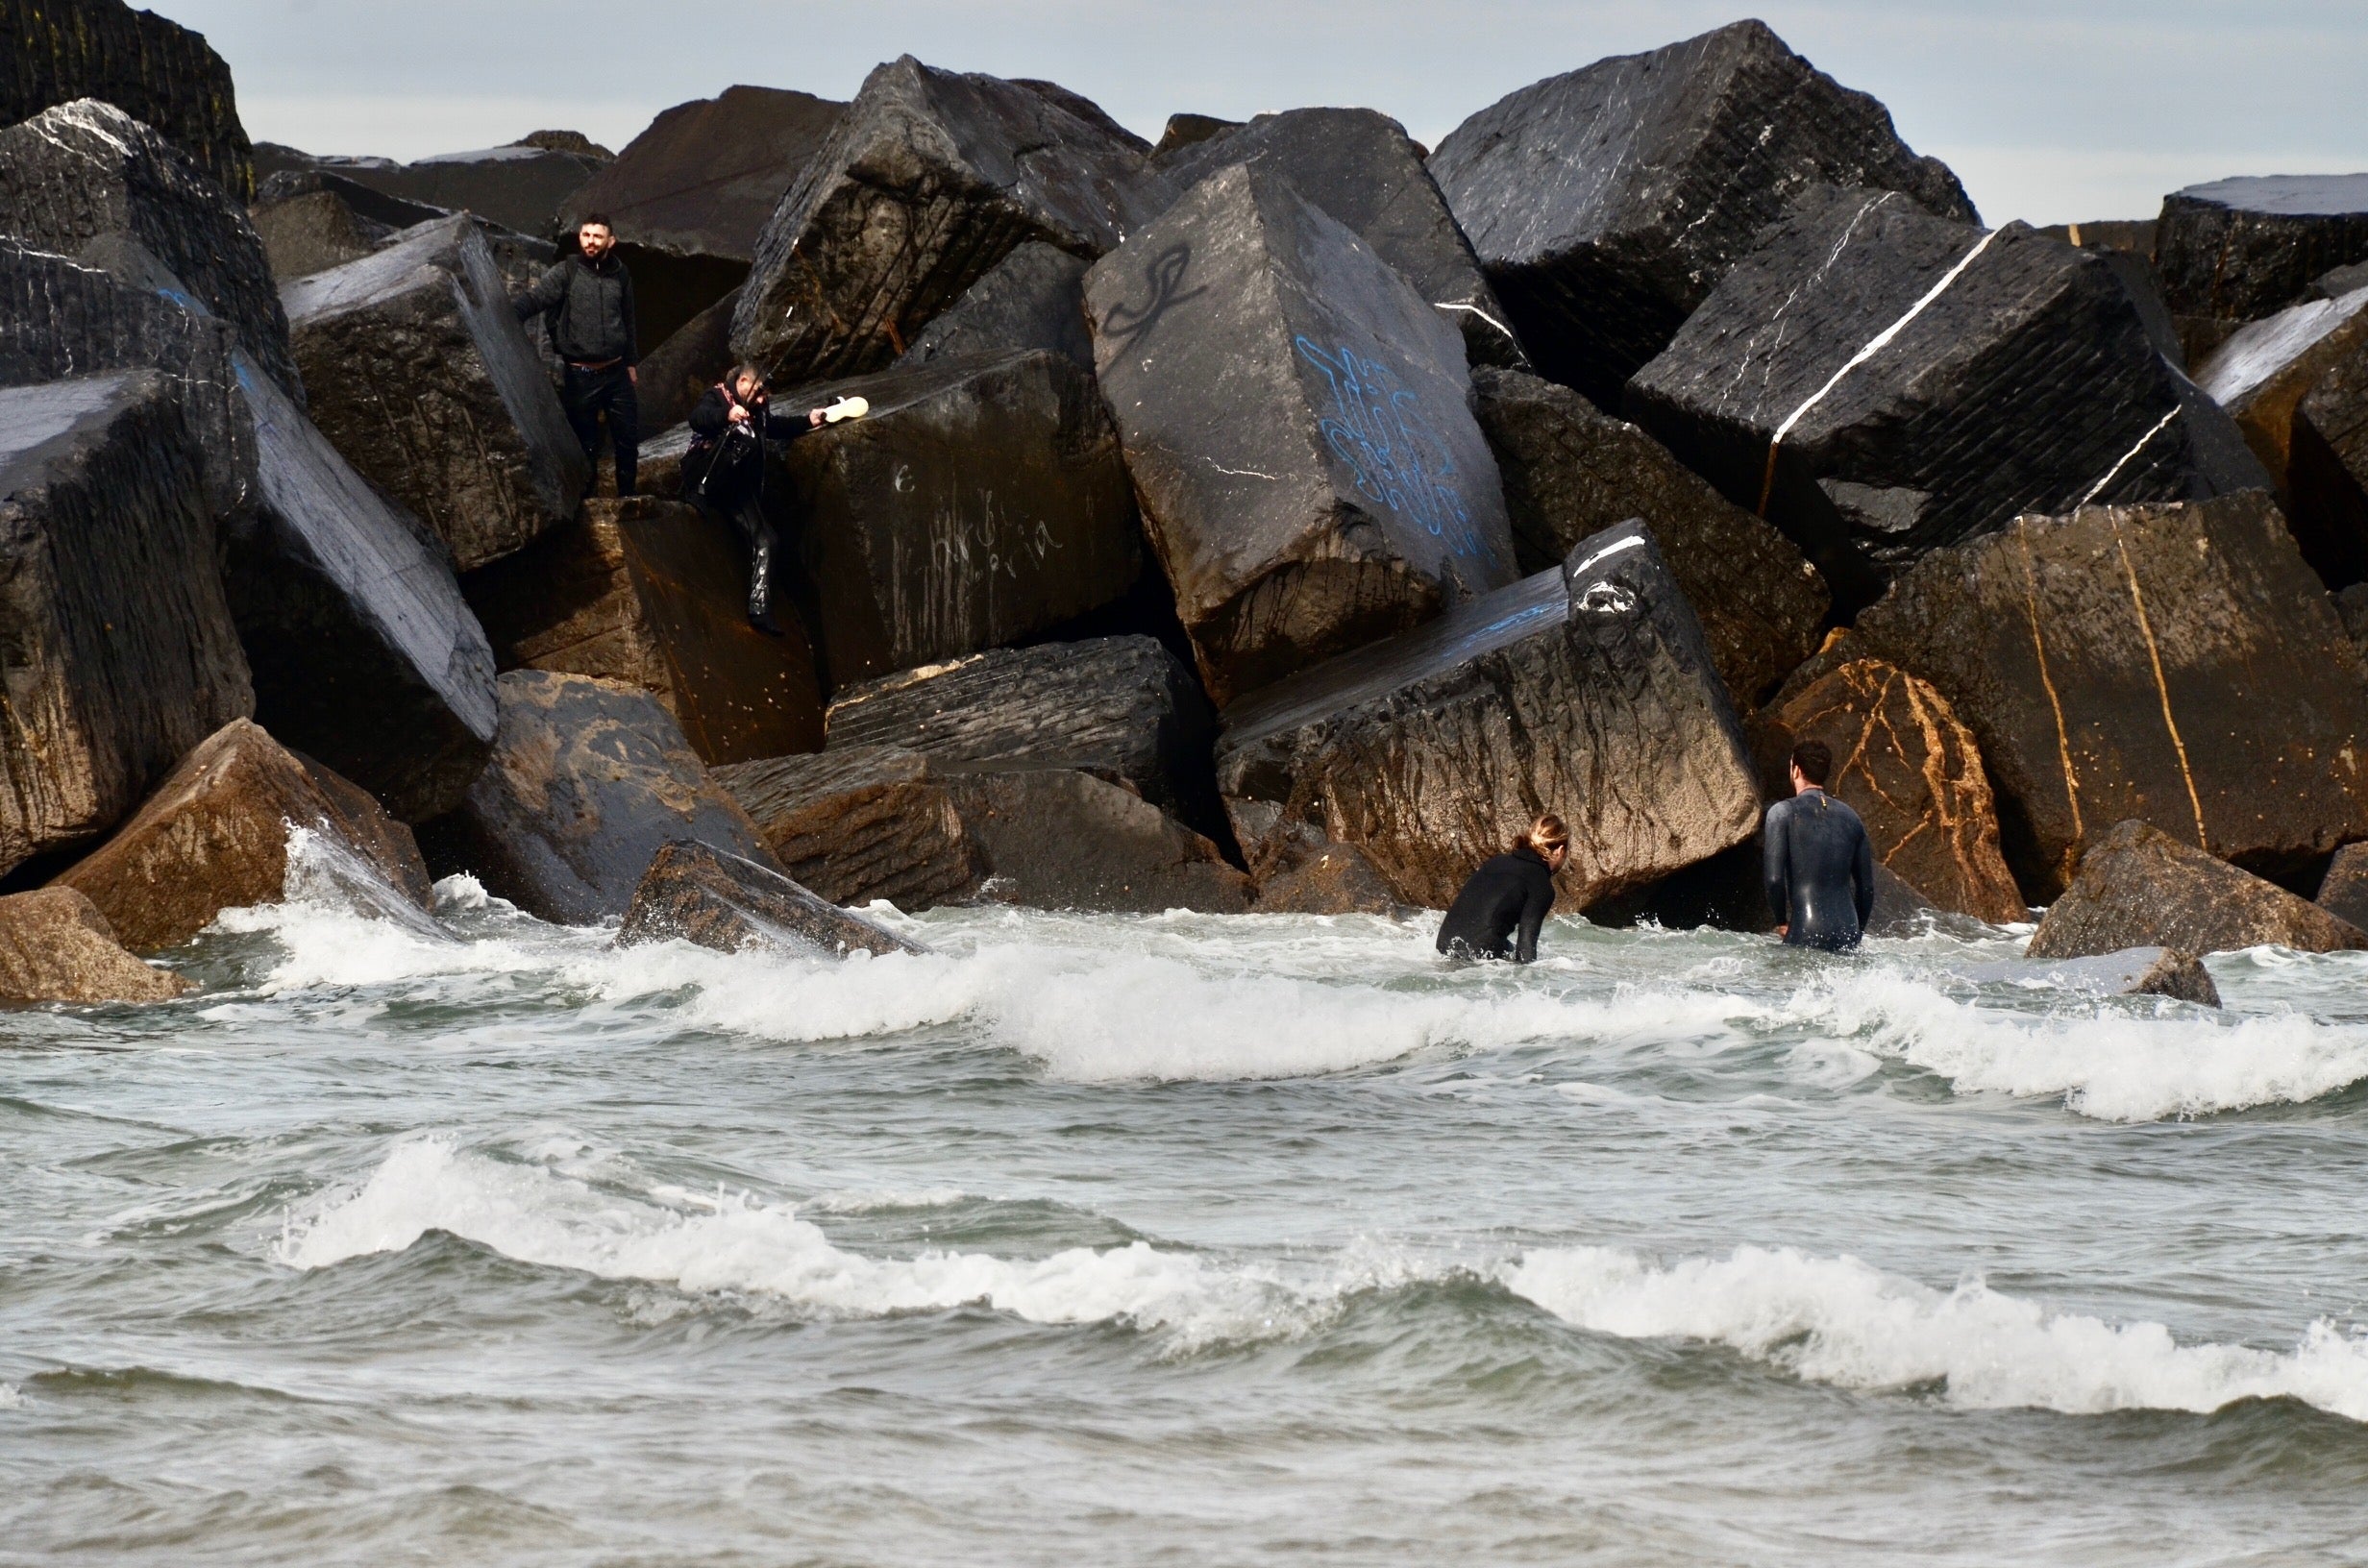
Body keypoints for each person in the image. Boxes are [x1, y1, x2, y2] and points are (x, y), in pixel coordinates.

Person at [682, 364, 830, 647]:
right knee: (741, 438)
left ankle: (760, 610)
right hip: (704, 472)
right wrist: (726, 415)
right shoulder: (717, 396)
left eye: (765, 395)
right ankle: (699, 494)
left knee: (768, 540)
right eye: (758, 392)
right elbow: (697, 419)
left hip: (734, 486)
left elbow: (772, 427)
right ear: (743, 381)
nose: (762, 400)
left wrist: (808, 421)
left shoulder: (759, 407)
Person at [514, 214, 640, 497]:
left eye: (597, 236)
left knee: (628, 442)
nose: (591, 241)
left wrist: (632, 362)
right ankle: (588, 506)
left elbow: (628, 319)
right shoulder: (567, 271)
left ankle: (628, 500)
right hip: (581, 375)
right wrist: (509, 317)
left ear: (611, 240)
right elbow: (536, 298)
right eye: (586, 235)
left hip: (617, 373)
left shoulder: (621, 274)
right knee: (586, 446)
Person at [1763, 740, 1876, 950]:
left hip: (1807, 928)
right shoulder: (1852, 818)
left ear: (1795, 770)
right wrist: (1857, 933)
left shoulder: (1782, 813)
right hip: (1848, 931)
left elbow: (1774, 880)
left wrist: (1781, 921)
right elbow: (1866, 888)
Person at [1435, 814, 1570, 964]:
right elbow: (1526, 944)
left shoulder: (1496, 861)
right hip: (1477, 957)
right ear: (1560, 851)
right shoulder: (1541, 885)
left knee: (1507, 948)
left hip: (1443, 946)